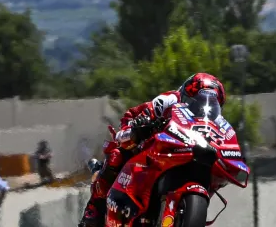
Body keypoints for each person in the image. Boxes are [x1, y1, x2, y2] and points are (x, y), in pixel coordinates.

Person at [81, 73, 227, 227]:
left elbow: (225, 140)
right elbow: (141, 117)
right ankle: (93, 209)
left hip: (187, 154)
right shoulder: (169, 100)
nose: (203, 106)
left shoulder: (217, 122)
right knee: (116, 156)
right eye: (196, 100)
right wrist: (140, 126)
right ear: (185, 96)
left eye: (213, 103)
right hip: (150, 144)